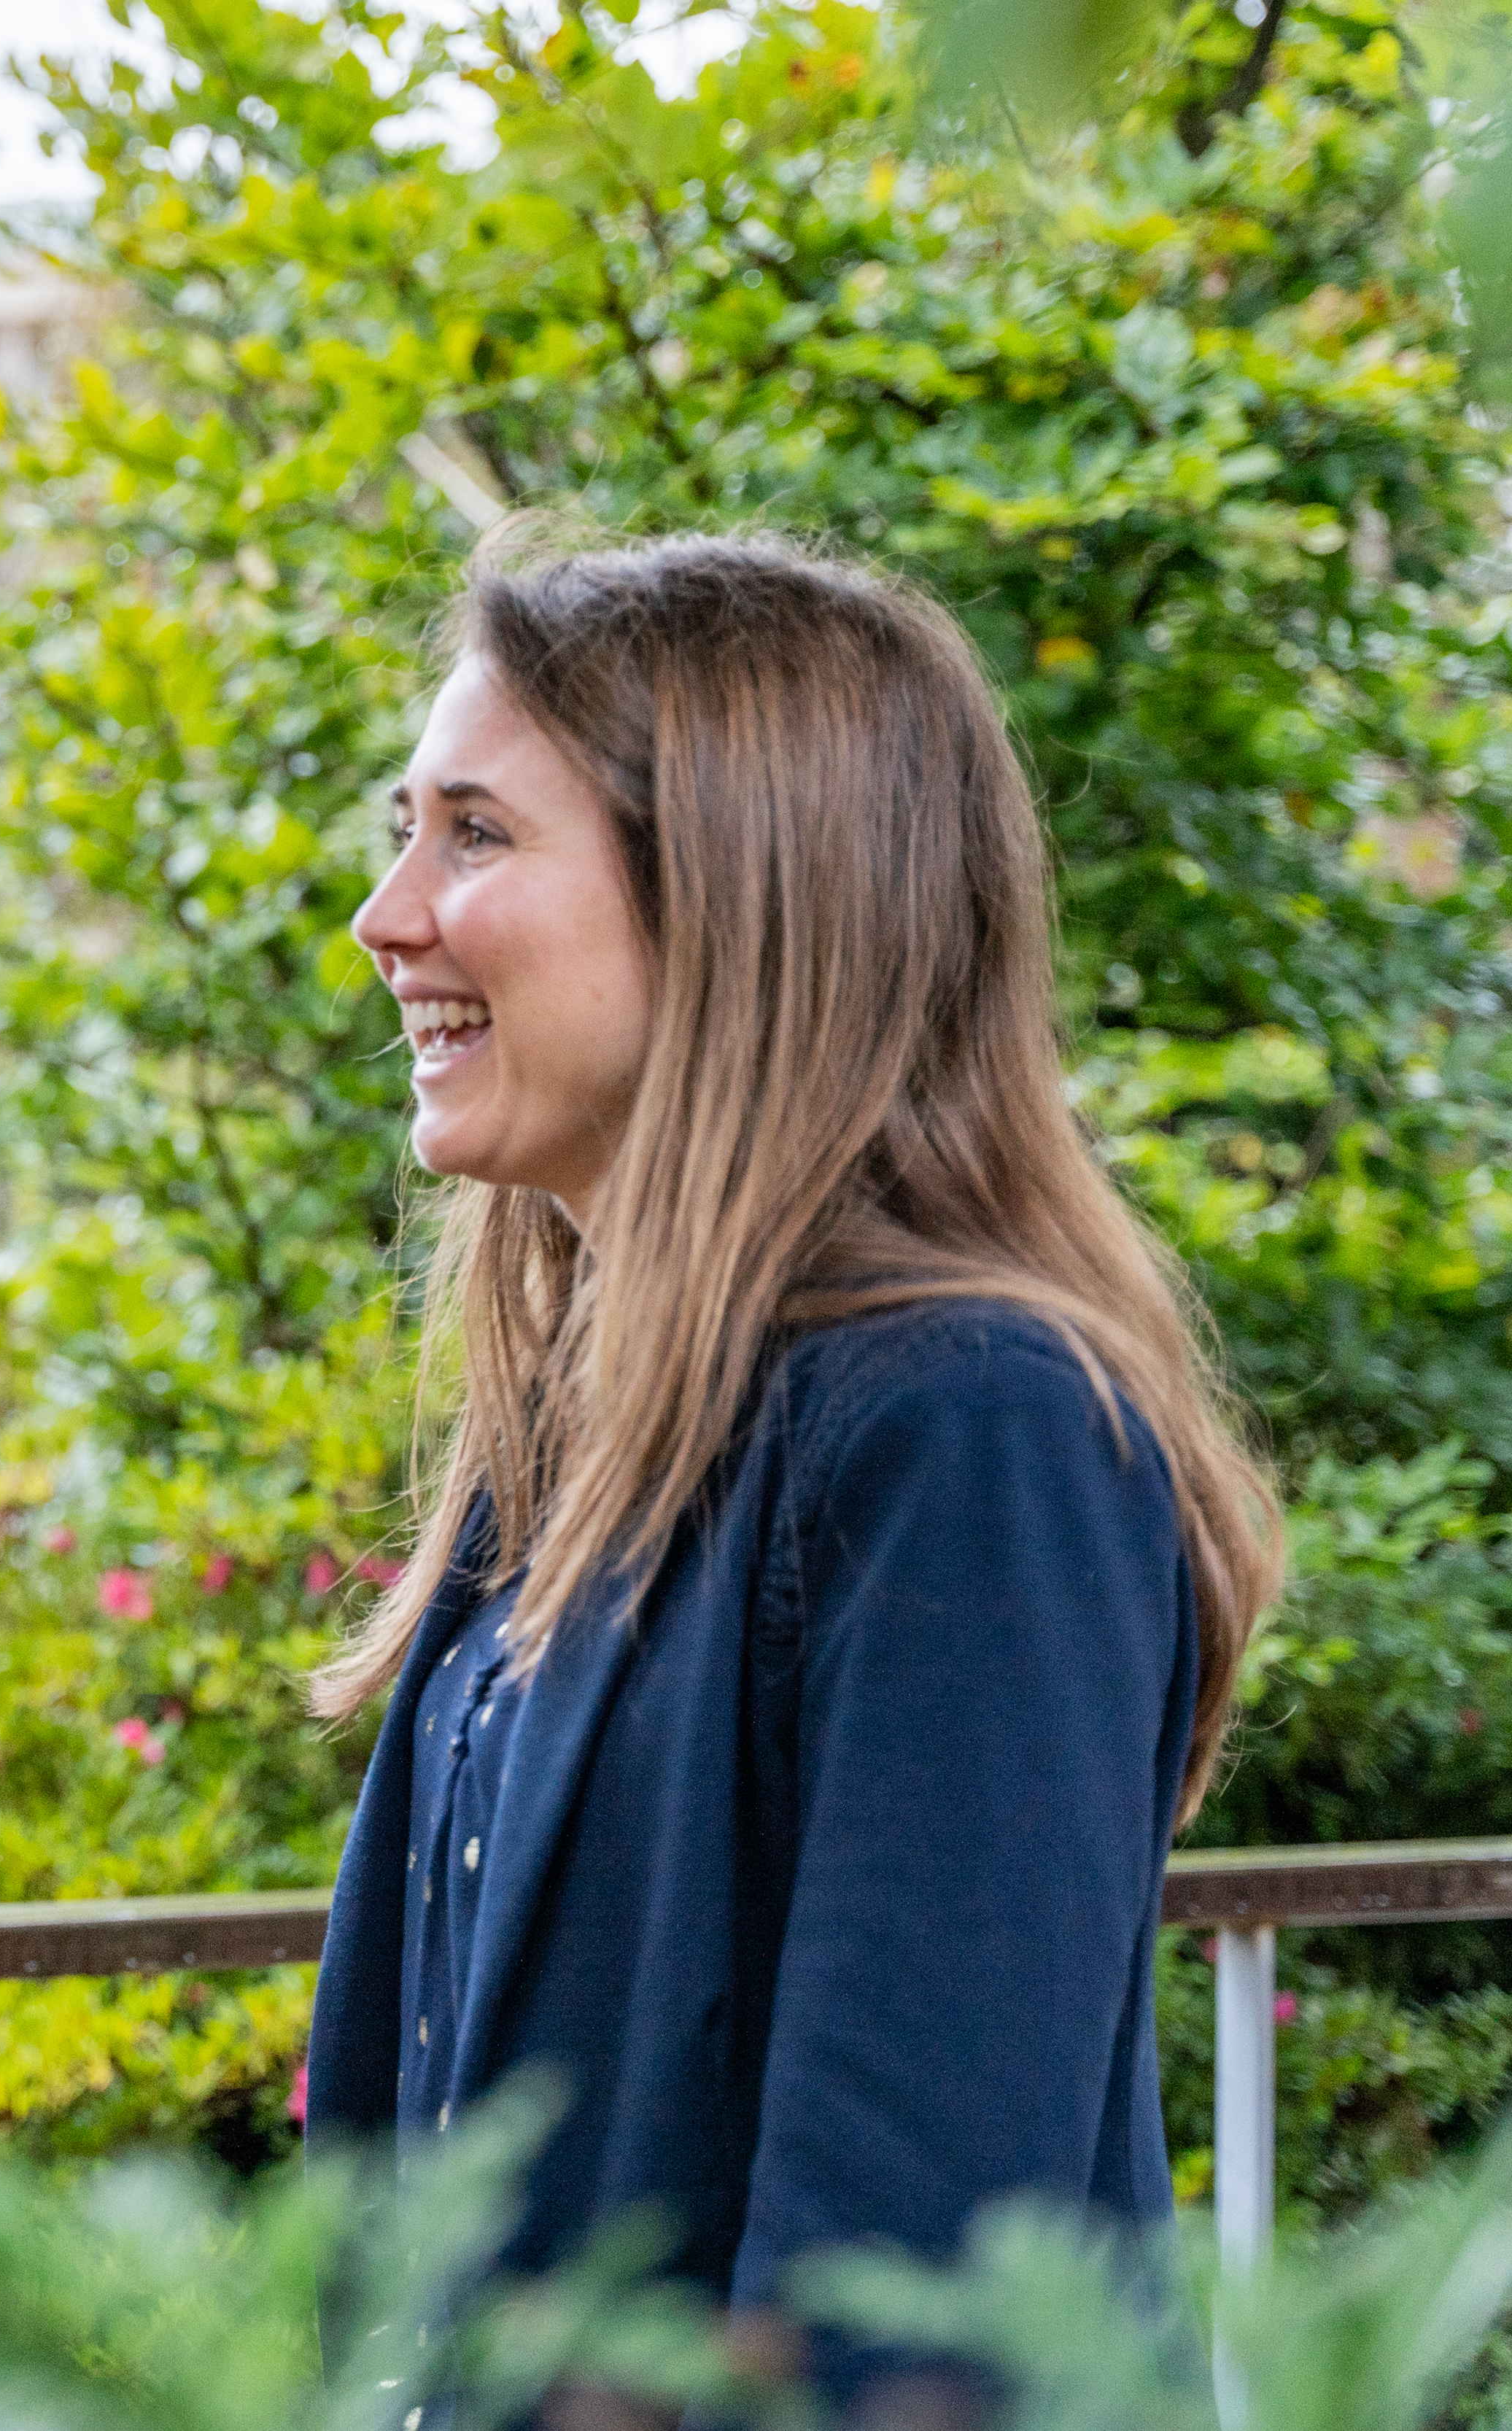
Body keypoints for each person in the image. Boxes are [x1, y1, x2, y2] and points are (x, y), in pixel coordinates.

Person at [303, 530, 1279, 2344]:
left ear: (744, 894)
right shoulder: (582, 1424)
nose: (386, 915)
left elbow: (904, 2289)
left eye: (475, 833)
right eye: (402, 827)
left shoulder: (980, 1431)